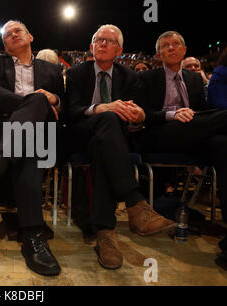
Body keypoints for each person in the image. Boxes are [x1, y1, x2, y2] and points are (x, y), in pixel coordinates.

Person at [66, 25, 175, 270]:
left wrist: (138, 118)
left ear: (120, 49)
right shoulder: (76, 73)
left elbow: (137, 117)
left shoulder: (131, 77)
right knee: (108, 118)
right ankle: (134, 202)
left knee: (105, 142)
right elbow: (70, 112)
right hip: (80, 133)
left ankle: (105, 234)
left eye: (109, 41)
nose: (102, 44)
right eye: (98, 40)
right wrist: (99, 108)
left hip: (109, 141)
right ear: (91, 46)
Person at [0, 20, 63, 276]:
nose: (12, 35)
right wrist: (34, 102)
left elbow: (62, 107)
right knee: (28, 139)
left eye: (17, 31)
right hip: (0, 128)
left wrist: (54, 99)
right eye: (7, 34)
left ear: (30, 36)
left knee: (31, 129)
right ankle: (33, 236)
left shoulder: (51, 69)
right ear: (5, 44)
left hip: (40, 134)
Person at [138, 31, 227, 224]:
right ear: (158, 54)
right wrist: (173, 114)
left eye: (176, 44)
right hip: (160, 133)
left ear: (184, 50)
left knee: (222, 144)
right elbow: (143, 113)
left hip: (193, 133)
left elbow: (204, 113)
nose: (171, 47)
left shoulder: (194, 79)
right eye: (165, 45)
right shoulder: (147, 78)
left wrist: (194, 117)